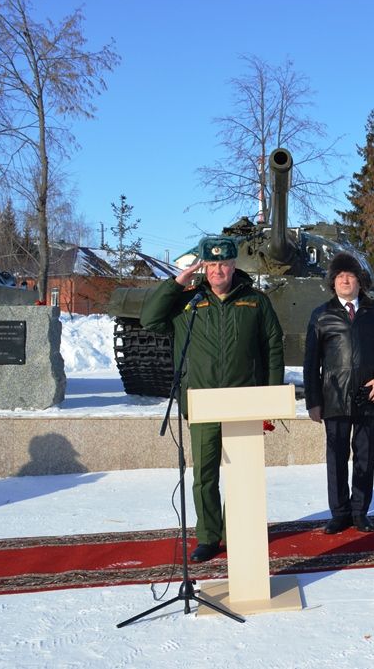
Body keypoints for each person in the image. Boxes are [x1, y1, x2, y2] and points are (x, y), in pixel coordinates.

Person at [140, 236, 284, 562]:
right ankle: (208, 536)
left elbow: (273, 347)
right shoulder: (187, 302)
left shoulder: (255, 302)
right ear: (203, 267)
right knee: (204, 475)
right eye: (212, 264)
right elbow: (150, 320)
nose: (218, 270)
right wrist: (176, 285)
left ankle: (238, 531)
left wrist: (271, 400)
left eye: (224, 263)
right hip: (202, 402)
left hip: (244, 404)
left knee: (241, 474)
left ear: (234, 265)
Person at [303, 252, 374, 534]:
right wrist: (313, 401)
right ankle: (339, 513)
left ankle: (360, 511)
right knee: (336, 459)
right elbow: (311, 363)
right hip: (333, 397)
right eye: (340, 276)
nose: (345, 279)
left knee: (364, 456)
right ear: (333, 282)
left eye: (351, 275)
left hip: (369, 396)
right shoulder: (321, 315)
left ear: (360, 281)